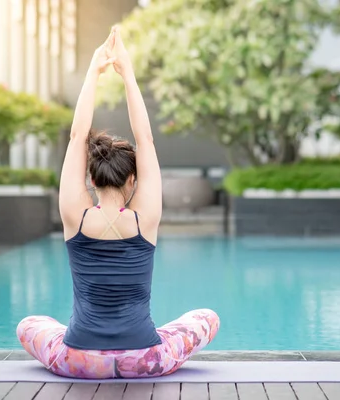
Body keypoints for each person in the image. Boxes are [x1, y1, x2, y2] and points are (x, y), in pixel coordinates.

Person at [16, 27, 219, 379]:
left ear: (91, 179)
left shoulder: (73, 216)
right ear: (132, 180)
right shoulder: (146, 218)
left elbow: (78, 135)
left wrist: (93, 71)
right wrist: (128, 73)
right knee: (206, 317)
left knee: (30, 324)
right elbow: (146, 139)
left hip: (79, 361)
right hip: (143, 359)